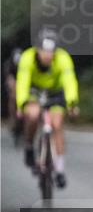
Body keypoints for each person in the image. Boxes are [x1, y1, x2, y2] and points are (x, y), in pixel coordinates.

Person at [16, 29, 79, 188]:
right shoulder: (27, 57)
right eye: (44, 51)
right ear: (37, 49)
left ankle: (59, 169)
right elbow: (22, 81)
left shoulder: (63, 58)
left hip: (55, 93)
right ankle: (29, 146)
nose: (47, 55)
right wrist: (21, 103)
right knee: (32, 114)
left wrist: (72, 102)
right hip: (34, 91)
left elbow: (69, 80)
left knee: (57, 124)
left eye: (51, 52)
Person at [4, 47, 24, 141]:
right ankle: (12, 118)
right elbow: (9, 78)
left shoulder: (25, 63)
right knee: (12, 96)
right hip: (13, 80)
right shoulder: (9, 64)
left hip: (23, 80)